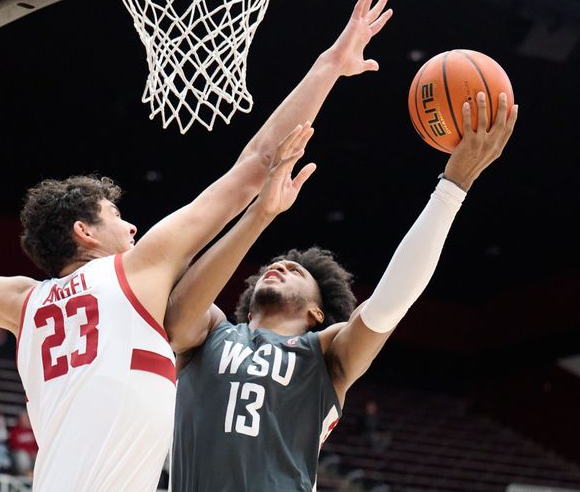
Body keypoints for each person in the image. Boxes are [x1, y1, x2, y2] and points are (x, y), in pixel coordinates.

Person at [0, 0, 389, 490]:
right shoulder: (137, 271)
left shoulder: (26, 303)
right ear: (85, 232)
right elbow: (259, 161)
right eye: (117, 216)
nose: (132, 225)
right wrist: (327, 67)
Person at [165, 82, 518, 490]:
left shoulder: (325, 354)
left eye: (297, 273)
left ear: (317, 313)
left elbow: (387, 306)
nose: (280, 265)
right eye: (275, 267)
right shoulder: (210, 333)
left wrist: (453, 186)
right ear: (245, 309)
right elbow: (178, 315)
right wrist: (259, 214)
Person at [8, 411, 38, 476]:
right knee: (22, 456)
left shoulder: (32, 431)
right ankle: (26, 477)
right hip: (20, 455)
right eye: (22, 418)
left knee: (38, 457)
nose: (24, 420)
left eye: (25, 418)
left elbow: (36, 445)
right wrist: (28, 452)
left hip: (32, 455)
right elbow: (14, 445)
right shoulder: (14, 431)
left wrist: (34, 453)